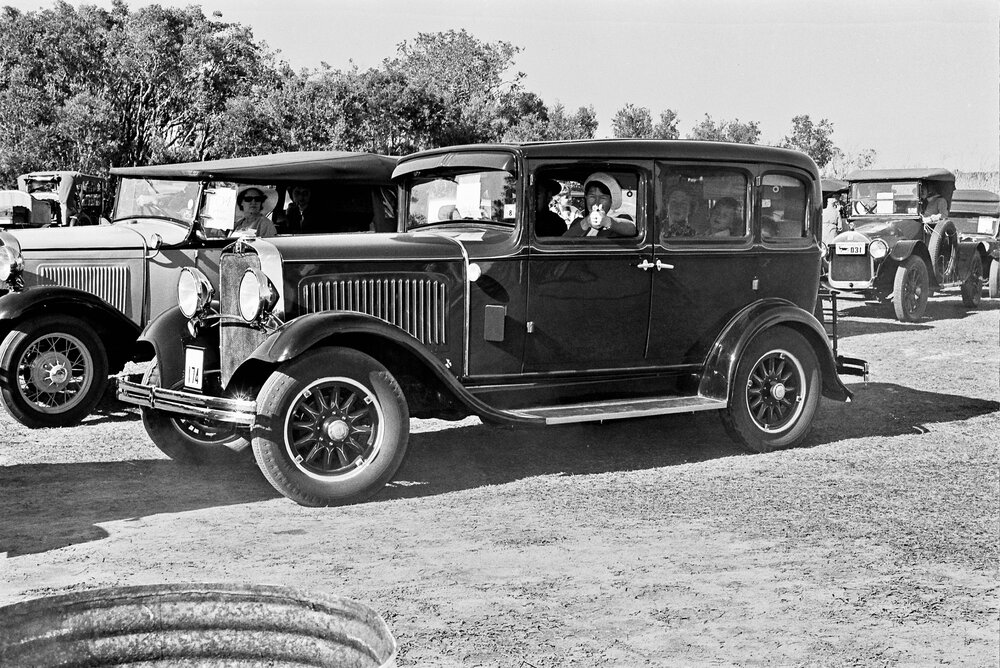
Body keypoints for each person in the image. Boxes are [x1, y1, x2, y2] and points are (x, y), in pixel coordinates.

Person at [564, 172, 636, 238]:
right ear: (586, 197)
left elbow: (632, 229)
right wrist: (587, 222)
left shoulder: (620, 219)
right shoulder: (578, 222)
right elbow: (564, 242)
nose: (596, 202)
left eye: (603, 197)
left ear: (611, 200)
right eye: (592, 196)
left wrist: (607, 221)